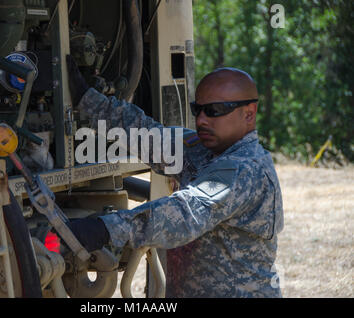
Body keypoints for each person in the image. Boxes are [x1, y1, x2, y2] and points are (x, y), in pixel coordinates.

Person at [65, 55, 284, 298]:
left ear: (249, 113)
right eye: (197, 109)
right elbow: (147, 136)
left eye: (214, 111)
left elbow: (185, 213)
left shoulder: (245, 169)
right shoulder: (202, 149)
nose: (201, 119)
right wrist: (87, 99)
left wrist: (104, 229)